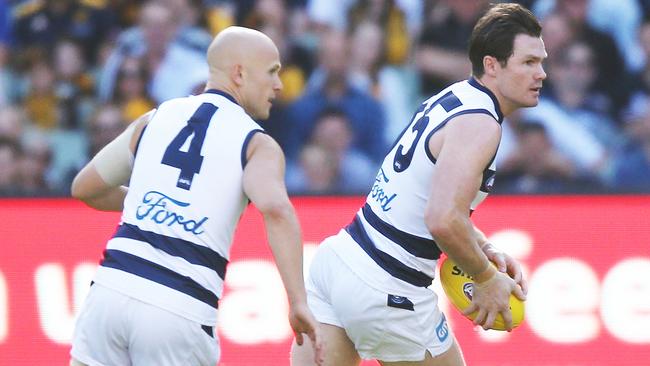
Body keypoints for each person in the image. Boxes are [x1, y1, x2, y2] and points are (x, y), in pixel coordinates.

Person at [291, 3, 542, 365]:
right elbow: (441, 217)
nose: (541, 73)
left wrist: (483, 248)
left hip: (339, 259)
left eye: (542, 61)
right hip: (387, 284)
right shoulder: (481, 124)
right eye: (529, 62)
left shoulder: (454, 96)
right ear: (492, 65)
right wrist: (486, 278)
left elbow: (423, 197)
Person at [69, 26, 322, 366]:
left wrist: (147, 198)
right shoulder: (256, 144)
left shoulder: (154, 118)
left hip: (109, 293)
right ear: (239, 73)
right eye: (272, 72)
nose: (278, 84)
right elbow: (276, 210)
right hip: (178, 308)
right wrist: (297, 301)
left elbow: (84, 188)